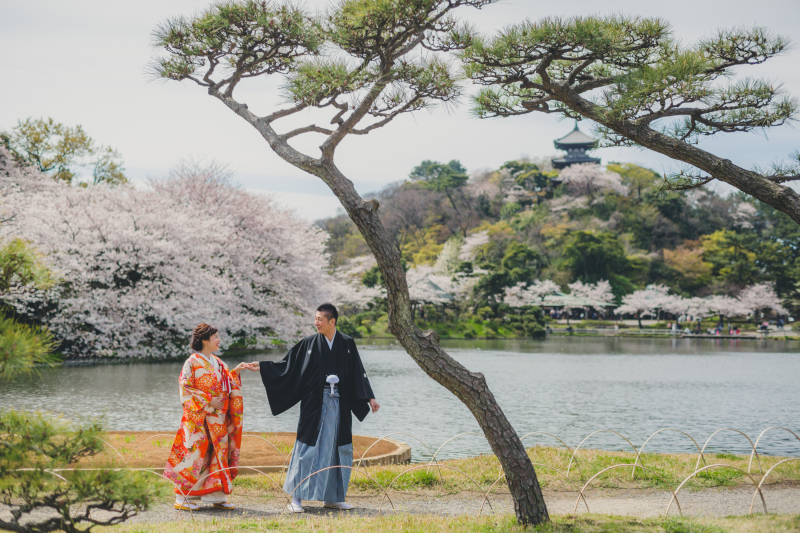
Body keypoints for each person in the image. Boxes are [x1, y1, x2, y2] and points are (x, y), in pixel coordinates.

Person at [242, 303, 379, 513]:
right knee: (307, 449)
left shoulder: (347, 343)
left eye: (320, 319)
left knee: (338, 448)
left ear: (332, 321)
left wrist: (370, 397)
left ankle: (333, 497)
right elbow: (288, 365)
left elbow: (357, 372)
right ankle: (296, 498)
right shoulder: (309, 343)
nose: (316, 322)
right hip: (314, 404)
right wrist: (262, 366)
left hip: (339, 404)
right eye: (315, 318)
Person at [164, 323, 248, 511]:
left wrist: (237, 371)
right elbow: (185, 387)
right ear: (204, 340)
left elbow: (228, 382)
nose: (219, 340)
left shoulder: (219, 363)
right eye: (216, 337)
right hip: (198, 419)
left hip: (217, 420)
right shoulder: (192, 362)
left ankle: (216, 495)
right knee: (193, 457)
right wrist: (209, 400)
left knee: (218, 456)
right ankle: (181, 497)